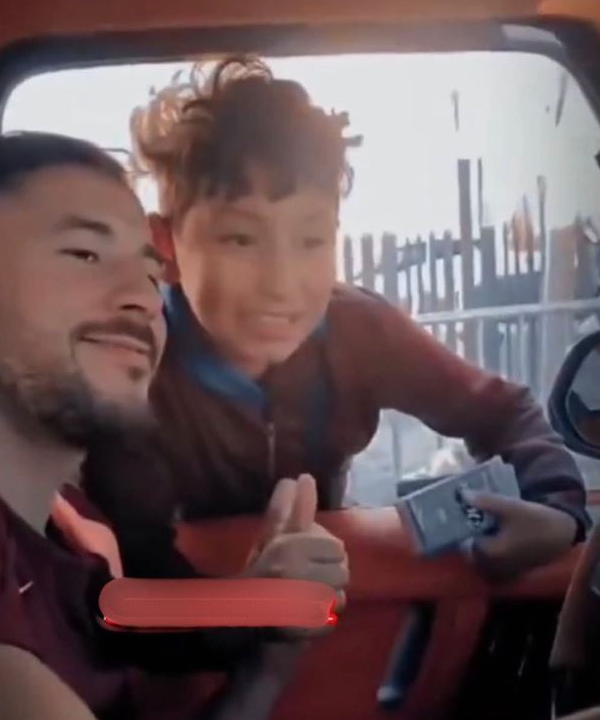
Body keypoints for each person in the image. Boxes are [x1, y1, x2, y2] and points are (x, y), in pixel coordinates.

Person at [0, 133, 348, 720]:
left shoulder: (66, 524)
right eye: (84, 255)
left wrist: (266, 653)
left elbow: (124, 615)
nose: (143, 301)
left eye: (150, 276)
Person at [74, 56, 589, 583]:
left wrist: (560, 511)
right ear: (165, 246)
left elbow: (501, 411)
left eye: (312, 239)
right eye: (240, 239)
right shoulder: (139, 363)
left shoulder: (359, 331)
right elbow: (130, 559)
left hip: (334, 591)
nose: (281, 282)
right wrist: (248, 608)